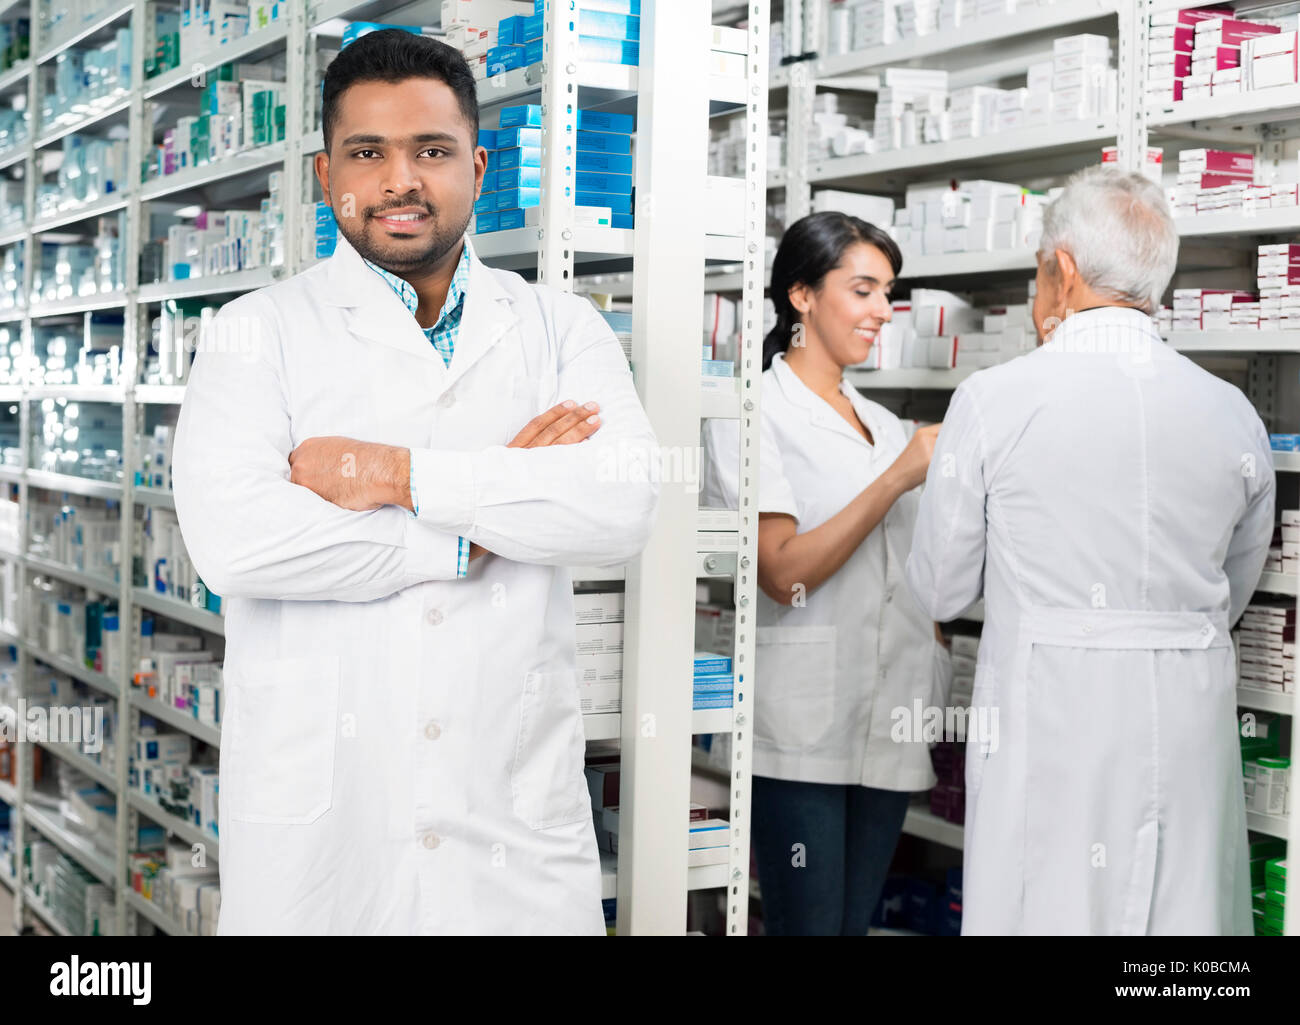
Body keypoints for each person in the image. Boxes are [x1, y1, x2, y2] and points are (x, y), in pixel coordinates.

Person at [171, 31, 660, 935]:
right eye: (369, 153)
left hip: (511, 820)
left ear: (474, 165)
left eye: (431, 151)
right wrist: (481, 523)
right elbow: (238, 541)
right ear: (327, 175)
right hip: (323, 840)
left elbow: (620, 504)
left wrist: (393, 473)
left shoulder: (560, 329)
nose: (401, 180)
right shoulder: (255, 333)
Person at [906, 165, 1274, 935]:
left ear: (1062, 271)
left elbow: (940, 589)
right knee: (1183, 934)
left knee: (1049, 909)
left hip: (1051, 716)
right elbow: (1232, 590)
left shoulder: (994, 400)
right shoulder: (1233, 412)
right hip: (1189, 714)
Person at [701, 211, 949, 936]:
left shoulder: (885, 421)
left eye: (889, 294)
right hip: (801, 723)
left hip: (893, 712)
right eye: (864, 289)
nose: (882, 312)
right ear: (802, 295)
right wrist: (898, 477)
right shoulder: (750, 411)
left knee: (852, 927)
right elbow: (783, 571)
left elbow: (911, 566)